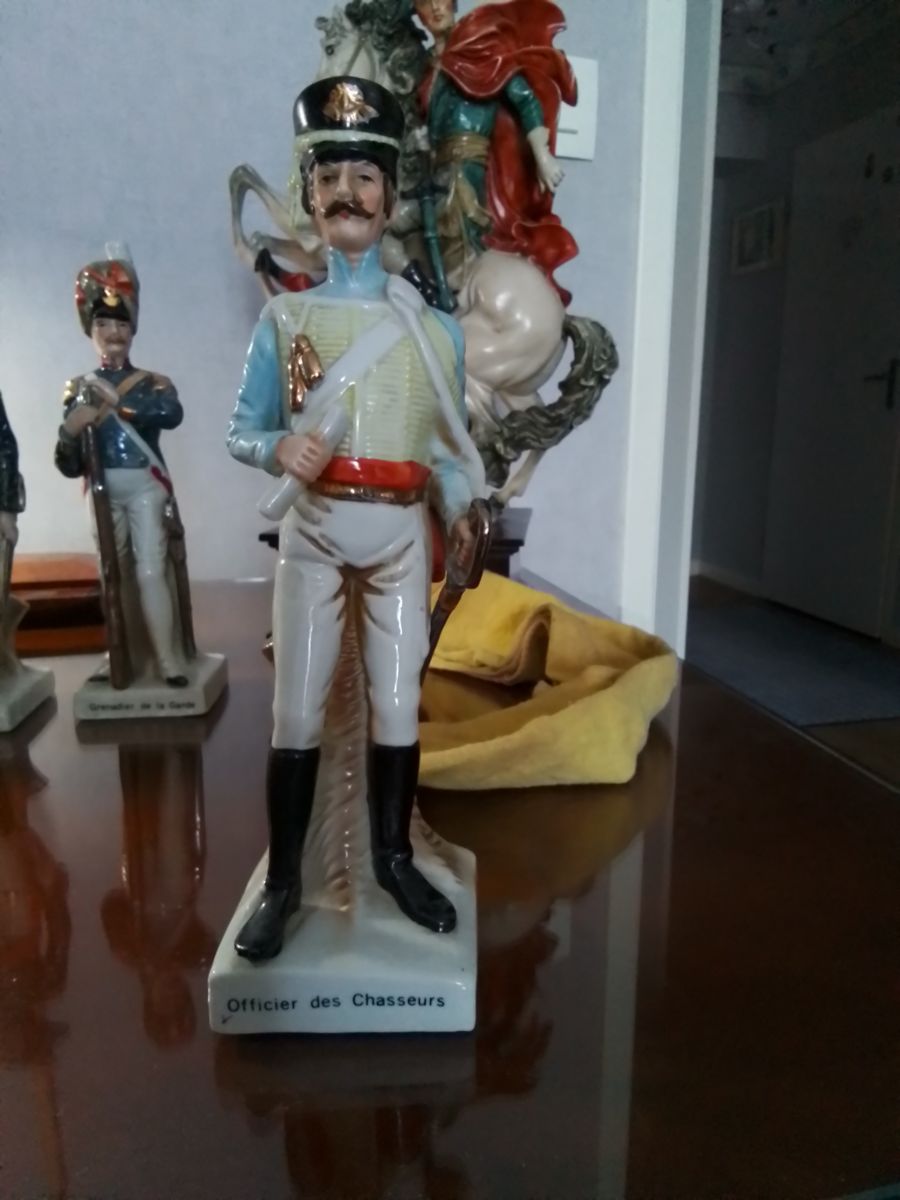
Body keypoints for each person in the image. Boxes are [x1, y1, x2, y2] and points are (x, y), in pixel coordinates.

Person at [227, 75, 485, 962]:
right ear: (310, 195)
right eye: (330, 176)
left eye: (364, 177)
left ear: (389, 195)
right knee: (295, 711)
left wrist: (463, 508)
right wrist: (278, 450)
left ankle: (392, 857)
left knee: (399, 703)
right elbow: (241, 429)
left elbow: (448, 450)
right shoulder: (285, 317)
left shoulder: (433, 331)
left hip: (399, 535)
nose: (347, 193)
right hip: (313, 530)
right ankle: (285, 881)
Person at [54, 256, 189, 687]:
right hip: (101, 489)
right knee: (112, 576)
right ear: (90, 330)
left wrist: (119, 404)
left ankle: (168, 660)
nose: (113, 333)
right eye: (103, 324)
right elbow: (68, 463)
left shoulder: (153, 382)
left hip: (146, 485)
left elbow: (170, 414)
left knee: (150, 571)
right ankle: (119, 654)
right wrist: (70, 431)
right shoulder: (78, 388)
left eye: (121, 324)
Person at [410, 0, 578, 300]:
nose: (435, 8)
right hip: (434, 169)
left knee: (459, 243)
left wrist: (542, 156)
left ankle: (464, 303)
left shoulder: (480, 49)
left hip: (466, 168)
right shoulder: (426, 69)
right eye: (424, 2)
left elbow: (525, 99)